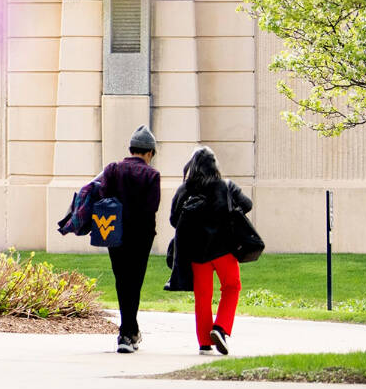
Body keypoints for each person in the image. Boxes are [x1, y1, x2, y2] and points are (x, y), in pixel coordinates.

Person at [170, 146, 254, 356]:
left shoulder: (185, 190)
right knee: (232, 287)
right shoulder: (226, 186)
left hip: (197, 253)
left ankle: (205, 343)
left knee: (203, 296)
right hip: (224, 249)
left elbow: (173, 220)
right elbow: (247, 204)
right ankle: (220, 328)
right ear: (214, 165)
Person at [93, 126, 160, 353]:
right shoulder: (152, 175)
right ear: (150, 152)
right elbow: (152, 207)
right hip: (141, 237)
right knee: (135, 282)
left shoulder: (112, 169)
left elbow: (103, 196)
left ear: (131, 149)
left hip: (114, 233)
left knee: (122, 281)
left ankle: (128, 332)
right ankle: (127, 333)